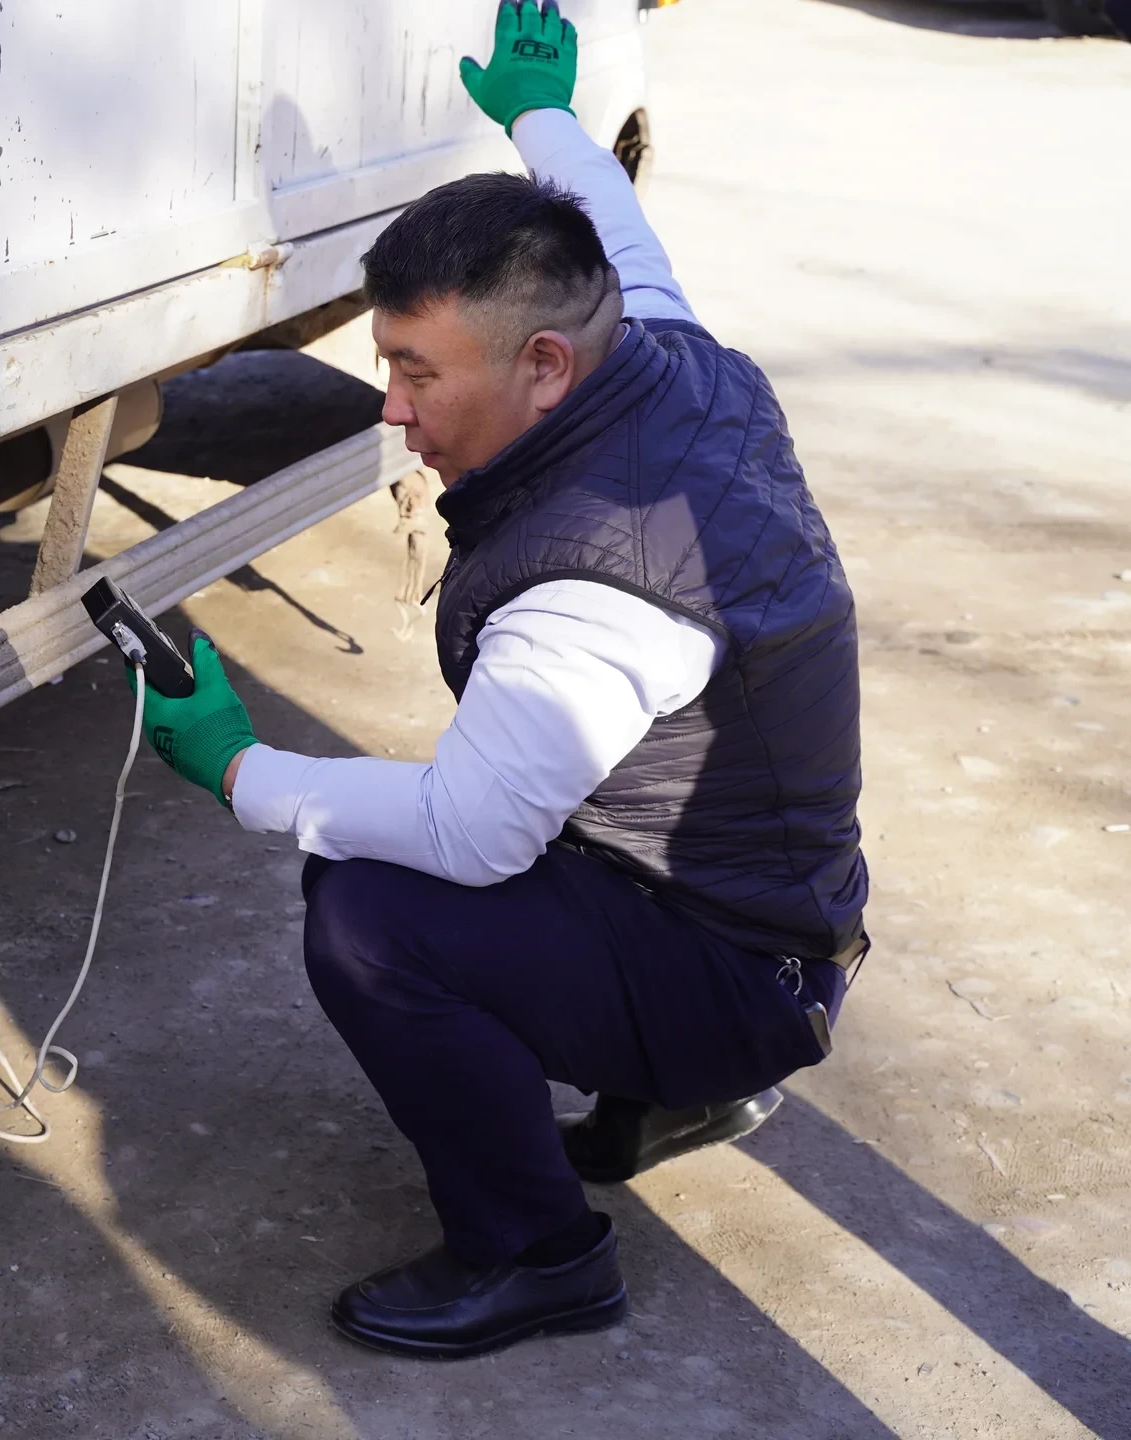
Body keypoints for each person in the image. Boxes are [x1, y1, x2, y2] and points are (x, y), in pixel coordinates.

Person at [128, 0, 868, 1360]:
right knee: (459, 849)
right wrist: (544, 121)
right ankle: (682, 1092)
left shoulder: (599, 588)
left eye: (415, 373)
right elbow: (618, 236)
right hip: (762, 915)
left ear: (542, 368)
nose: (391, 408)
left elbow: (470, 836)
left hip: (745, 968)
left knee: (370, 912)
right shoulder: (668, 359)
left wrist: (238, 768)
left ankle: (539, 1255)